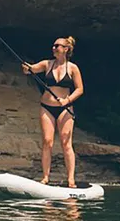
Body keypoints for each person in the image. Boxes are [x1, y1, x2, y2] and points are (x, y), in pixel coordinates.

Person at [22, 36, 84, 187]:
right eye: (53, 46)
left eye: (57, 46)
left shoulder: (73, 68)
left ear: (66, 49)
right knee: (47, 142)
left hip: (65, 108)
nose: (54, 48)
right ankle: (45, 177)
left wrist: (67, 100)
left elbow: (80, 89)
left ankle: (70, 179)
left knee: (65, 142)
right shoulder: (47, 64)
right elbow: (31, 69)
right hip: (46, 107)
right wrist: (27, 68)